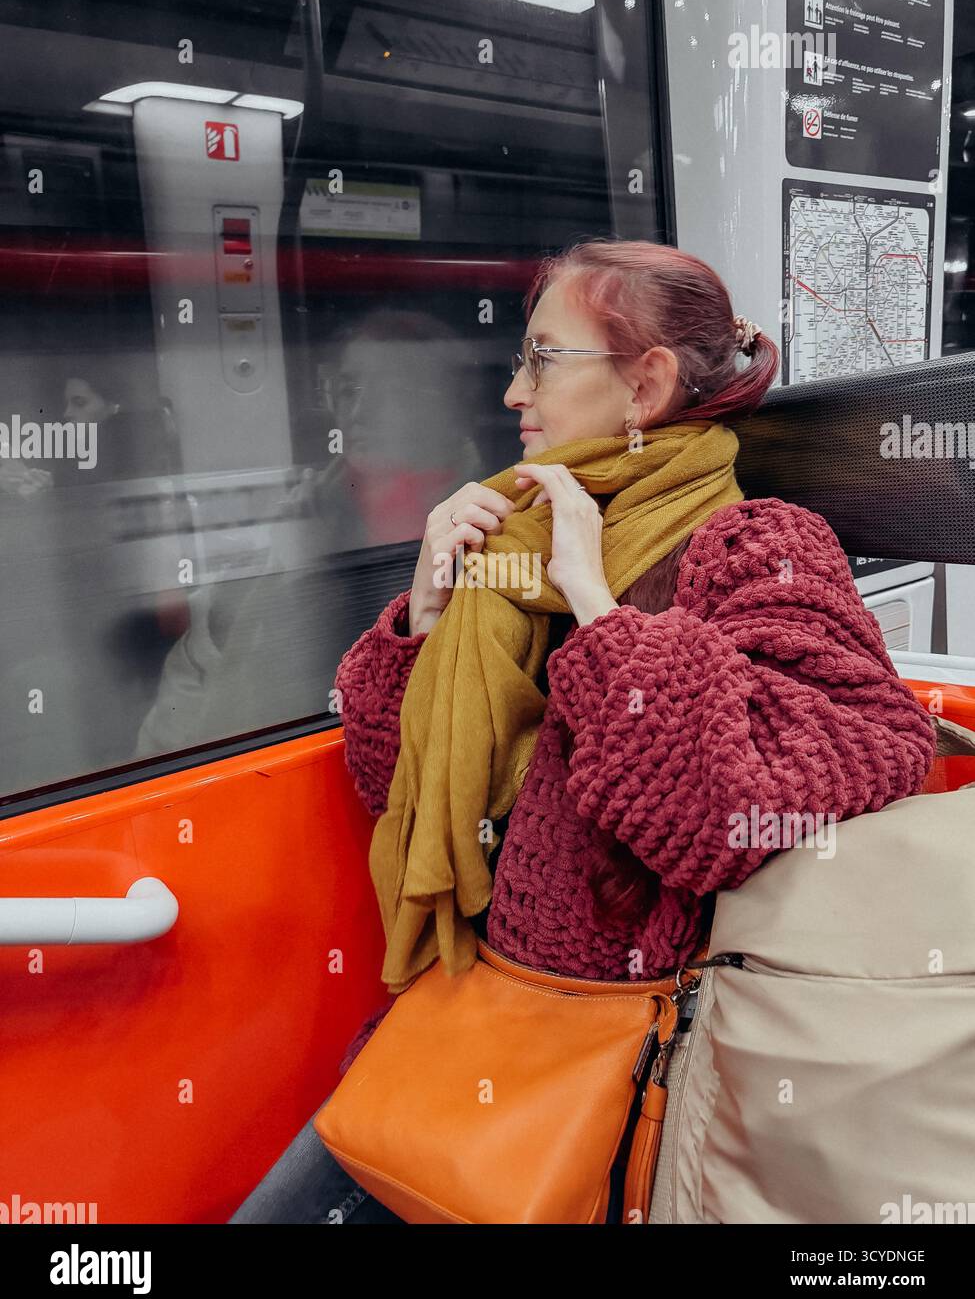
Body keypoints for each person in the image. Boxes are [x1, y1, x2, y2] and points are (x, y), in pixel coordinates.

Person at [229, 237, 937, 1224]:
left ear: (644, 384)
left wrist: (600, 607)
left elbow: (763, 797)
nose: (515, 394)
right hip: (470, 1009)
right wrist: (428, 611)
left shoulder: (758, 545)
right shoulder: (520, 536)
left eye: (543, 360)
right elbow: (400, 787)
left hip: (611, 1073)